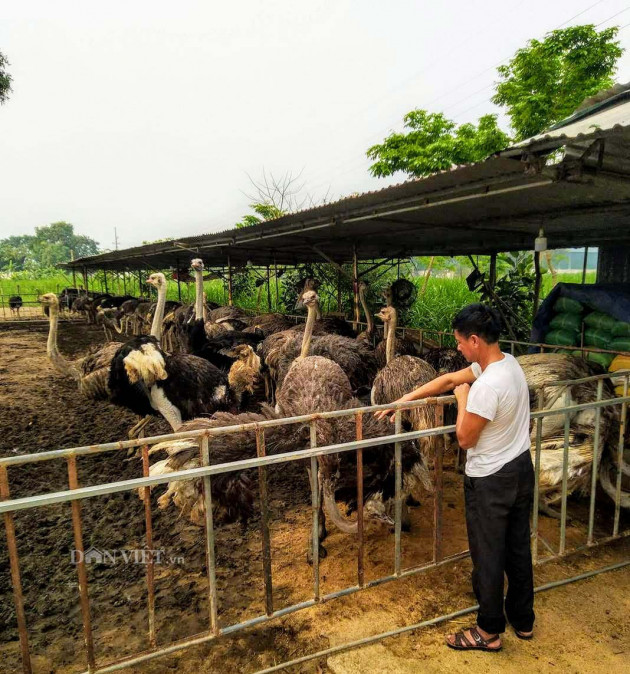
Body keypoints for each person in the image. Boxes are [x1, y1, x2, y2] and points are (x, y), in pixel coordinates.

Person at [374, 303, 534, 652]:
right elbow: (448, 379)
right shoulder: (509, 365)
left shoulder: (488, 386)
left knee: (488, 555)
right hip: (521, 468)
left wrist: (462, 399)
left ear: (475, 340)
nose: (458, 348)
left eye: (460, 342)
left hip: (491, 479)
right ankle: (523, 620)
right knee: (518, 547)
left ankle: (488, 631)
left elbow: (464, 438)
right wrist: (405, 399)